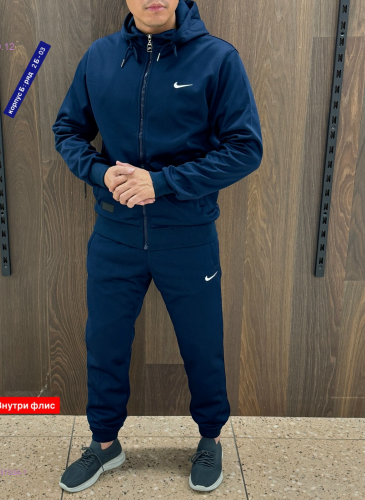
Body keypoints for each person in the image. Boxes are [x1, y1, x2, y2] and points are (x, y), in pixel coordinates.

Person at [52, 0, 262, 493]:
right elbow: (68, 131)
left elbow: (245, 148)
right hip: (114, 235)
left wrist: (162, 183)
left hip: (187, 237)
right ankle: (105, 444)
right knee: (104, 344)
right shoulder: (100, 57)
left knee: (202, 344)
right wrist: (101, 173)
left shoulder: (217, 59)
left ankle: (210, 439)